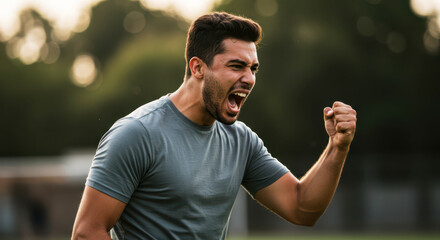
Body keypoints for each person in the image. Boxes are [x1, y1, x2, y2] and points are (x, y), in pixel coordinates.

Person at [72, 12, 357, 240]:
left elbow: (301, 208)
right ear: (198, 68)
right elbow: (87, 232)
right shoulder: (137, 133)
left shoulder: (241, 141)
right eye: (236, 66)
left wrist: (337, 146)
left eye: (252, 68)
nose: (249, 78)